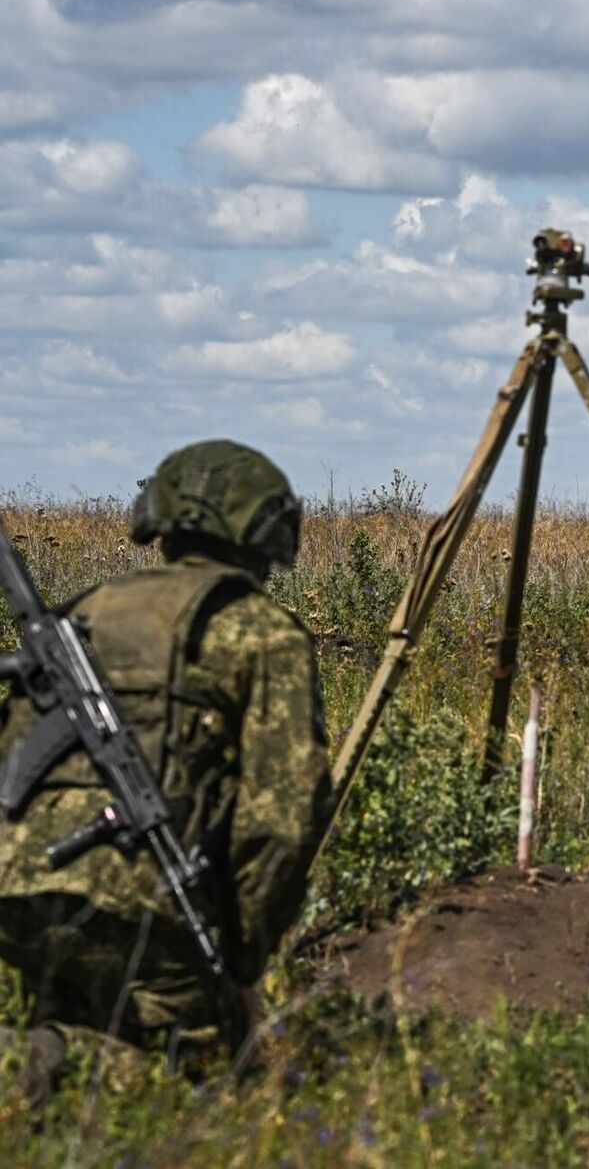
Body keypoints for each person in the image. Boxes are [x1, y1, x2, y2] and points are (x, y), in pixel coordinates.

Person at [0, 441, 329, 1104]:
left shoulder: (86, 612)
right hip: (145, 907)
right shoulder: (260, 632)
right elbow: (282, 818)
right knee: (190, 1083)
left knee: (62, 1041)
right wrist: (241, 958)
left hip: (16, 891)